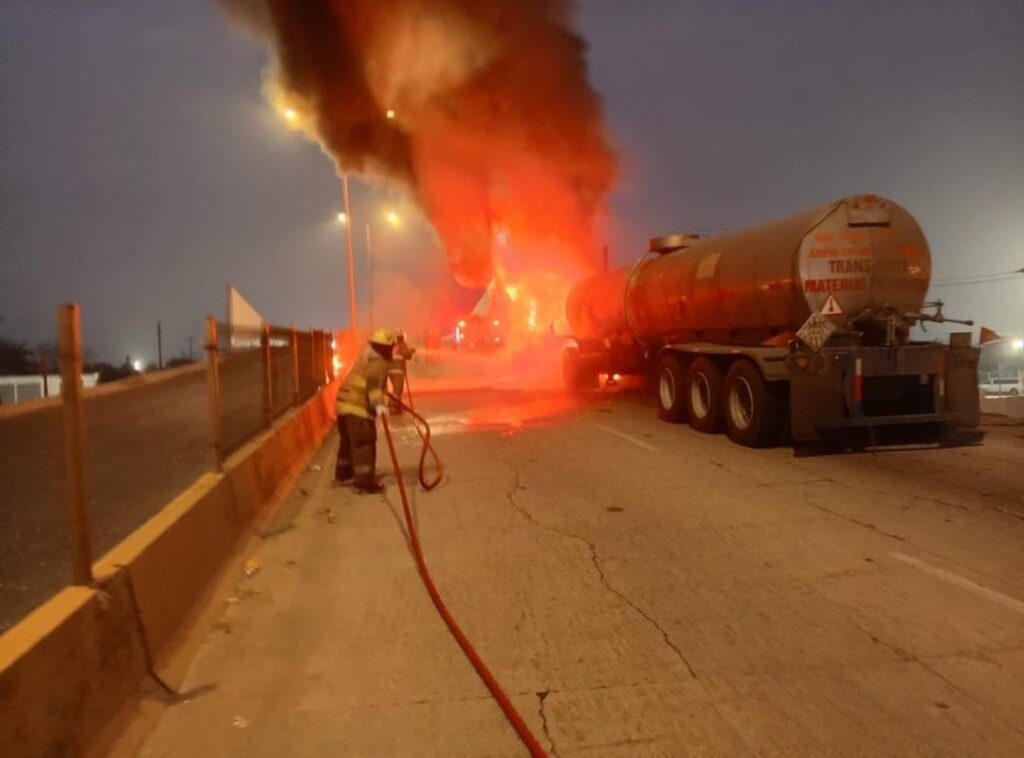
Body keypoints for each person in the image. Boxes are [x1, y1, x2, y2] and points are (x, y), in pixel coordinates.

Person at [335, 328, 395, 493]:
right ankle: (364, 481)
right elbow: (373, 385)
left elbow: (365, 380)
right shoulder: (378, 362)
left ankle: (343, 473)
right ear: (385, 347)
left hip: (342, 404)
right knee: (364, 444)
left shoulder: (366, 356)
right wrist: (379, 404)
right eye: (391, 347)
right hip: (357, 408)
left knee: (348, 442)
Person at [387, 329, 415, 414]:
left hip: (390, 370)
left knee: (397, 388)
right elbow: (408, 355)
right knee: (398, 389)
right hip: (398, 370)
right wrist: (411, 351)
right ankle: (392, 406)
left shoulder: (391, 345)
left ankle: (397, 406)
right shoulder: (402, 345)